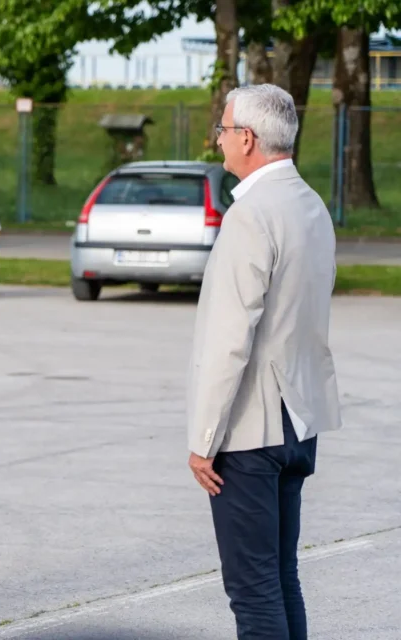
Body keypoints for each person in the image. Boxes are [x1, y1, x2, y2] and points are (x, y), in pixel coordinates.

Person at [186, 84, 342, 640]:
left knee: (253, 593)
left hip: (251, 431)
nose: (220, 139)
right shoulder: (311, 205)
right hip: (299, 420)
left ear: (247, 138)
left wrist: (204, 437)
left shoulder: (251, 215)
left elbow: (230, 339)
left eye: (224, 130)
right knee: (280, 578)